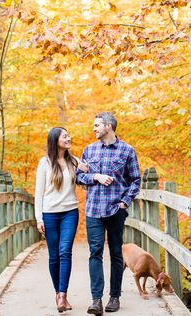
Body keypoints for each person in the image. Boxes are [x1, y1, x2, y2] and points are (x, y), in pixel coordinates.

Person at [77, 112, 141, 314]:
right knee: (95, 252)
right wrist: (95, 176)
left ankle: (114, 297)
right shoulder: (89, 150)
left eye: (97, 125)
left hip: (116, 209)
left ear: (109, 126)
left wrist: (124, 202)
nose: (94, 129)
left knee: (115, 253)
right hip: (94, 209)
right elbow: (79, 176)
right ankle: (96, 300)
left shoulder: (127, 150)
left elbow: (135, 180)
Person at [34, 127, 87, 313]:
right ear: (55, 140)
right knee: (54, 255)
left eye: (68, 135)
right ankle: (58, 292)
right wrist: (38, 218)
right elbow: (38, 193)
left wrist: (94, 174)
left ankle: (63, 295)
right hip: (49, 214)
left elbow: (89, 173)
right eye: (65, 136)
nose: (68, 138)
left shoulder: (74, 161)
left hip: (70, 213)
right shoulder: (45, 163)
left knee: (65, 252)